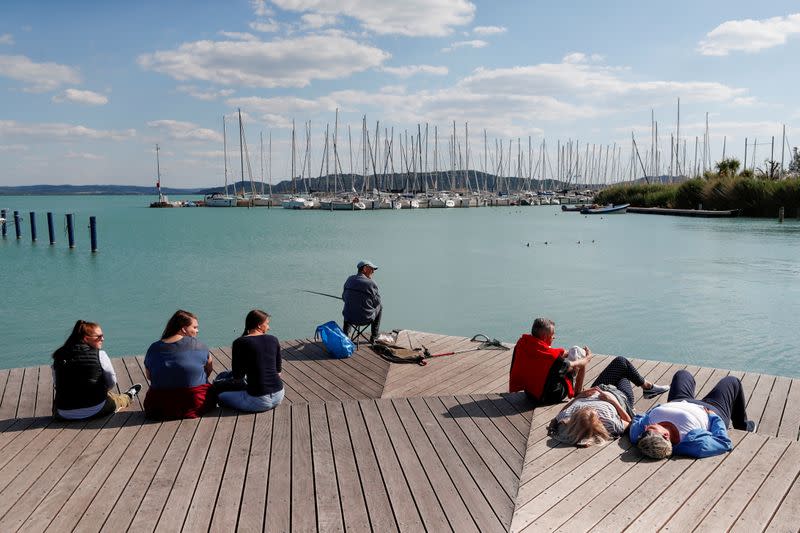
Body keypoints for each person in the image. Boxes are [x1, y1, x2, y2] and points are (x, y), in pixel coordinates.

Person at [630, 369, 757, 459]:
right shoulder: (693, 443)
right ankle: (743, 426)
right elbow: (724, 443)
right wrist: (713, 417)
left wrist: (655, 412)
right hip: (710, 410)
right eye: (650, 428)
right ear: (666, 435)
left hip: (679, 401)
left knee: (682, 374)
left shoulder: (641, 436)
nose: (646, 427)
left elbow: (638, 418)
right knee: (732, 381)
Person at [549, 355, 669, 446]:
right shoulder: (610, 423)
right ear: (598, 421)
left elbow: (561, 412)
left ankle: (648, 387)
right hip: (619, 397)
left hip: (597, 389)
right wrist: (612, 401)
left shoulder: (567, 420)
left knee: (621, 365)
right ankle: (648, 387)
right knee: (622, 367)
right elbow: (630, 421)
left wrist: (580, 396)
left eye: (585, 409)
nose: (592, 408)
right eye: (595, 413)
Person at [52, 320, 141, 420]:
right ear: (86, 339)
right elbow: (112, 381)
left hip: (63, 413)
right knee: (117, 400)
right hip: (95, 409)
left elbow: (57, 383)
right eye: (99, 337)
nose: (103, 339)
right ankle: (129, 396)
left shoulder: (58, 356)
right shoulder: (100, 354)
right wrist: (102, 391)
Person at [143, 310, 215, 420]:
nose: (197, 331)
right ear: (183, 329)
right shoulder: (200, 346)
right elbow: (209, 370)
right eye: (194, 327)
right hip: (194, 404)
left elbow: (149, 376)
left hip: (158, 407)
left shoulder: (153, 348)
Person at [508, 317, 595, 404]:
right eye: (552, 335)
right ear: (545, 337)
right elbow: (575, 364)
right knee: (577, 355)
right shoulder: (550, 357)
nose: (554, 337)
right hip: (549, 397)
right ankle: (578, 392)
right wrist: (587, 357)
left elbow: (548, 353)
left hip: (530, 393)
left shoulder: (522, 343)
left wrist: (566, 353)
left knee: (565, 360)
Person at [216, 309, 284, 412]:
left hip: (259, 400)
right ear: (259, 325)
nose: (269, 327)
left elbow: (238, 377)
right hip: (279, 394)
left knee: (220, 396)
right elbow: (278, 373)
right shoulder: (273, 339)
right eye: (267, 324)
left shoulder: (239, 342)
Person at [342, 259, 382, 343]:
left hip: (350, 318)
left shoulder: (349, 279)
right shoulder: (371, 283)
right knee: (380, 306)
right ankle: (374, 336)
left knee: (348, 306)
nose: (373, 272)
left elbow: (344, 297)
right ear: (364, 269)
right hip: (365, 319)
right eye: (372, 269)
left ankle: (346, 335)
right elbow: (376, 303)